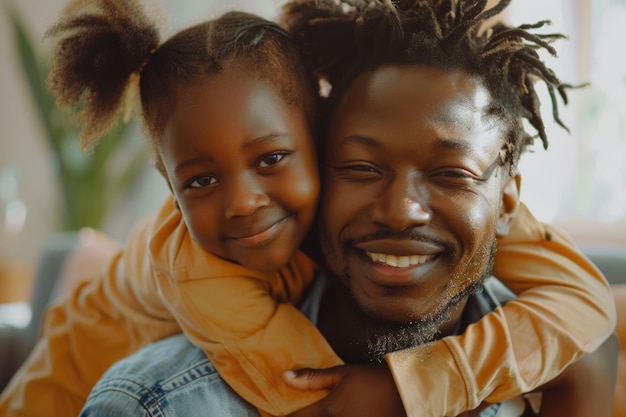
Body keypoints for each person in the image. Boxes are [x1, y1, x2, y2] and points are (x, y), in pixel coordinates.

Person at [0, 0, 615, 416]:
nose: (242, 202)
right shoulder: (197, 270)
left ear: (312, 137)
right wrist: (405, 392)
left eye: (270, 160)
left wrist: (420, 385)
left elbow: (585, 307)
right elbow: (319, 397)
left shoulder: (456, 211)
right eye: (201, 180)